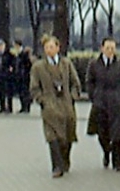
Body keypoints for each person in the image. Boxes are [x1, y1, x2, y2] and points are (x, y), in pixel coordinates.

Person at [29, 34, 81, 178]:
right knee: (53, 137)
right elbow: (34, 88)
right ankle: (56, 166)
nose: (49, 50)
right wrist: (42, 100)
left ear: (58, 48)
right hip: (50, 106)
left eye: (52, 47)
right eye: (46, 47)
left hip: (66, 105)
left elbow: (75, 83)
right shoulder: (38, 67)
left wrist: (72, 96)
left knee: (67, 137)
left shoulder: (66, 64)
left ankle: (65, 159)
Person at [86, 37, 120, 172]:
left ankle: (119, 163)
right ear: (102, 48)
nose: (110, 51)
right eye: (108, 48)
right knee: (103, 133)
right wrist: (94, 96)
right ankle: (107, 152)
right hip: (100, 103)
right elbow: (89, 82)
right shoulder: (94, 64)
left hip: (118, 103)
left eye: (113, 48)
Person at [0, 40, 15, 114]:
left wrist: (11, 68)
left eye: (2, 45)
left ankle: (10, 108)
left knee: (8, 92)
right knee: (0, 92)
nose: (1, 47)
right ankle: (2, 107)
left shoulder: (9, 54)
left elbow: (13, 63)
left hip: (8, 76)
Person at [14, 43, 33, 113]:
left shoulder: (24, 54)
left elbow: (28, 65)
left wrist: (25, 72)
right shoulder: (17, 54)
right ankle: (22, 106)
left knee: (25, 92)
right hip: (19, 76)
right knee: (20, 92)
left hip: (24, 76)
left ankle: (27, 107)